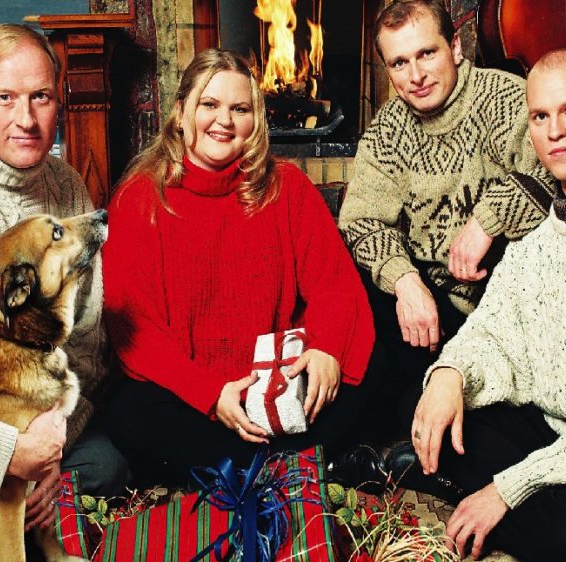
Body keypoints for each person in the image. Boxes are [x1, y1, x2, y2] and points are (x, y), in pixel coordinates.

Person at [101, 48, 384, 489]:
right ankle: (294, 465)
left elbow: (334, 285)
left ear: (256, 121)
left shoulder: (288, 187)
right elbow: (136, 332)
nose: (224, 121)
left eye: (240, 109)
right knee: (128, 412)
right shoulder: (139, 198)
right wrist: (211, 394)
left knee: (370, 346)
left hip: (278, 385)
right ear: (180, 113)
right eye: (209, 105)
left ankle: (250, 468)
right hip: (193, 395)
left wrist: (326, 351)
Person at [410, 49, 566, 561]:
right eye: (540, 116)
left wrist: (509, 488)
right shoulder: (536, 239)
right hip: (556, 434)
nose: (555, 131)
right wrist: (449, 374)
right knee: (428, 407)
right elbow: (490, 332)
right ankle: (511, 499)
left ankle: (478, 497)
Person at [0, 24, 129, 534]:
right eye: (4, 98)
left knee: (107, 467)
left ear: (58, 101)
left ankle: (25, 510)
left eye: (40, 97)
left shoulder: (65, 184)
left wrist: (49, 448)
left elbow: (87, 340)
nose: (26, 119)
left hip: (41, 414)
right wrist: (4, 454)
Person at [338, 0, 556, 426]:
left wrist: (488, 220)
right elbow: (361, 220)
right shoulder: (388, 129)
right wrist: (405, 281)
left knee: (400, 397)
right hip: (435, 301)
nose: (416, 76)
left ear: (455, 47)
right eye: (399, 63)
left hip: (507, 307)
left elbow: (556, 174)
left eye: (427, 53)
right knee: (354, 305)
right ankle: (313, 445)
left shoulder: (504, 97)